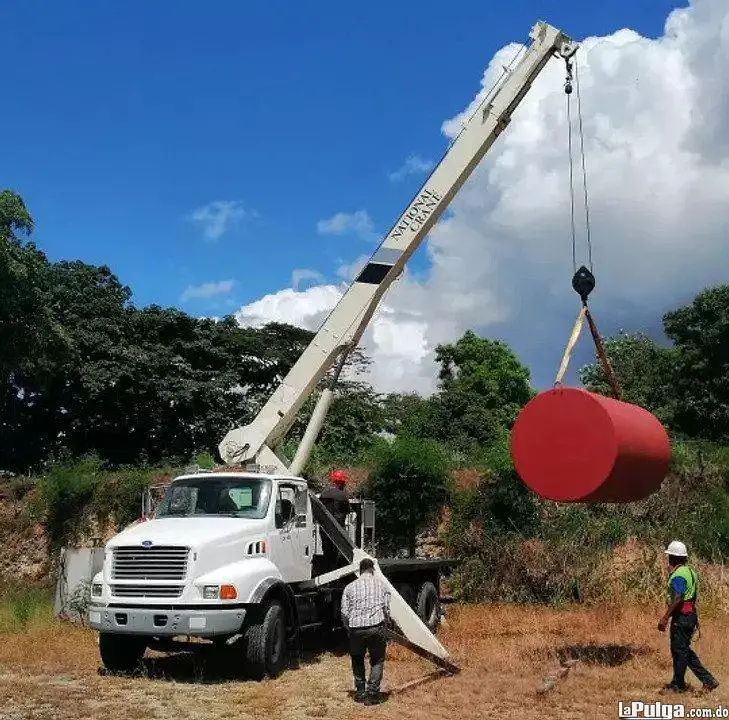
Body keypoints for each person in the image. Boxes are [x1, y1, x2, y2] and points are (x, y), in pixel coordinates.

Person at [657, 540, 719, 693]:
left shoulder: (679, 574)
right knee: (681, 649)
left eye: (670, 556)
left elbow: (678, 597)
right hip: (689, 615)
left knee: (680, 650)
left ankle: (680, 685)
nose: (668, 559)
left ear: (674, 558)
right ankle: (684, 681)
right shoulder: (690, 571)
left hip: (683, 616)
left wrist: (665, 617)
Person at [340, 558, 391, 705]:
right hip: (376, 627)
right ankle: (372, 694)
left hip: (356, 629)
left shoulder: (349, 587)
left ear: (360, 570)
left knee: (357, 658)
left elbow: (344, 612)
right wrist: (386, 624)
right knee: (377, 659)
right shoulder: (382, 585)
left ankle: (360, 692)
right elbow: (386, 609)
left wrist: (349, 629)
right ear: (372, 569)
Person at [318, 469, 352, 572]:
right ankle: (333, 572)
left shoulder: (323, 493)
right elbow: (347, 511)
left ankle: (325, 570)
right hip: (337, 529)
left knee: (326, 550)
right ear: (342, 483)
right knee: (335, 552)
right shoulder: (342, 496)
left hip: (324, 528)